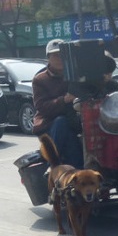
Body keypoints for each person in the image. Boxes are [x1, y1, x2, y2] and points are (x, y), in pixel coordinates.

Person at [31, 39, 84, 169]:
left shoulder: (77, 75)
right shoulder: (40, 79)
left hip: (76, 119)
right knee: (62, 123)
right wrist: (64, 100)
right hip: (50, 122)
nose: (59, 58)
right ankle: (52, 166)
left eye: (62, 55)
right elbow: (42, 107)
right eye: (55, 55)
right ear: (48, 58)